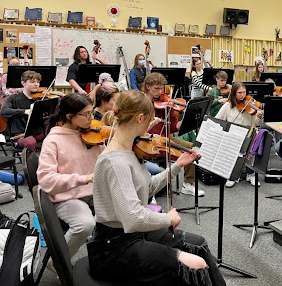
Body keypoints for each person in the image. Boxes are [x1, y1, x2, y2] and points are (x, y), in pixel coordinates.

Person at [88, 90, 225, 286]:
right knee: (194, 265)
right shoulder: (114, 161)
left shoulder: (130, 151)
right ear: (140, 117)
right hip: (112, 248)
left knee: (198, 244)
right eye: (150, 120)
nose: (152, 127)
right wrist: (167, 219)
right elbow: (133, 219)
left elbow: (148, 186)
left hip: (133, 235)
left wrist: (178, 165)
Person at [37, 93, 99, 262]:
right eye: (86, 114)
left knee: (126, 207)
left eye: (91, 113)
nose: (91, 118)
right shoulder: (53, 141)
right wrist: (83, 178)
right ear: (70, 116)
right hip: (66, 197)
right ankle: (57, 261)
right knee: (85, 225)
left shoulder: (91, 135)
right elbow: (46, 180)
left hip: (93, 193)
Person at [143, 73, 204, 197]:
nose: (160, 92)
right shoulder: (141, 103)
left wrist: (187, 116)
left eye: (161, 89)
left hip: (166, 139)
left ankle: (188, 184)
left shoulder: (166, 104)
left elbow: (174, 127)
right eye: (156, 89)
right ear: (148, 87)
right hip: (147, 140)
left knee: (192, 148)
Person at [215, 82, 263, 188]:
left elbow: (257, 124)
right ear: (234, 94)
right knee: (231, 145)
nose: (242, 95)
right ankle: (232, 175)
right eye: (239, 93)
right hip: (233, 135)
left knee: (253, 144)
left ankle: (250, 174)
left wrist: (259, 116)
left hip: (248, 134)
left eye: (244, 92)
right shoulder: (227, 106)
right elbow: (218, 121)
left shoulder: (250, 106)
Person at [0, 70, 44, 151]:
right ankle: (32, 162)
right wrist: (24, 111)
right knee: (30, 143)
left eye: (38, 82)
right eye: (32, 82)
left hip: (39, 132)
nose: (36, 84)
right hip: (21, 134)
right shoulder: (13, 98)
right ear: (23, 83)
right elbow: (4, 111)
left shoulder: (41, 99)